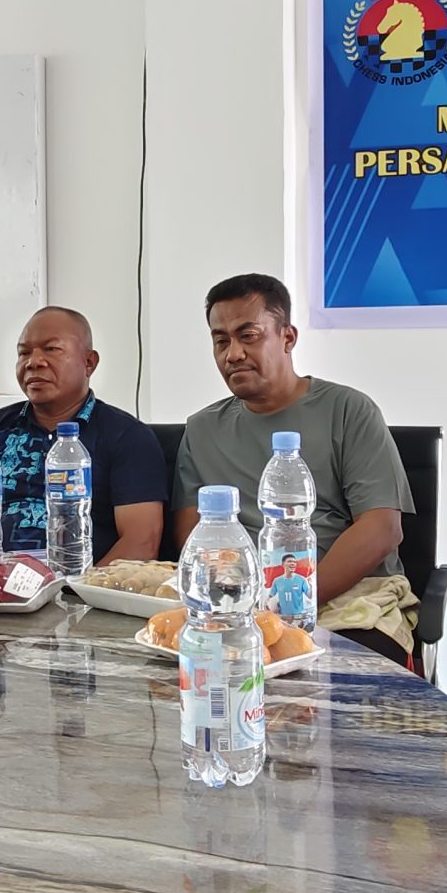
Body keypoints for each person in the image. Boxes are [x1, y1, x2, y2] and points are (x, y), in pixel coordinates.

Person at [172, 274, 416, 666]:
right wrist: (241, 606)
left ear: (287, 337)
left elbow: (382, 530)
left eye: (248, 335)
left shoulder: (348, 411)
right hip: (237, 606)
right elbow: (194, 538)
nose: (233, 354)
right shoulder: (202, 430)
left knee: (330, 684)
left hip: (345, 601)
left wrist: (286, 606)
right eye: (221, 341)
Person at [0, 307, 166, 564]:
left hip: (77, 583)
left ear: (89, 363)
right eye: (24, 353)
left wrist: (78, 587)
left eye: (51, 349)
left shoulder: (127, 436)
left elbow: (141, 543)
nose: (34, 362)